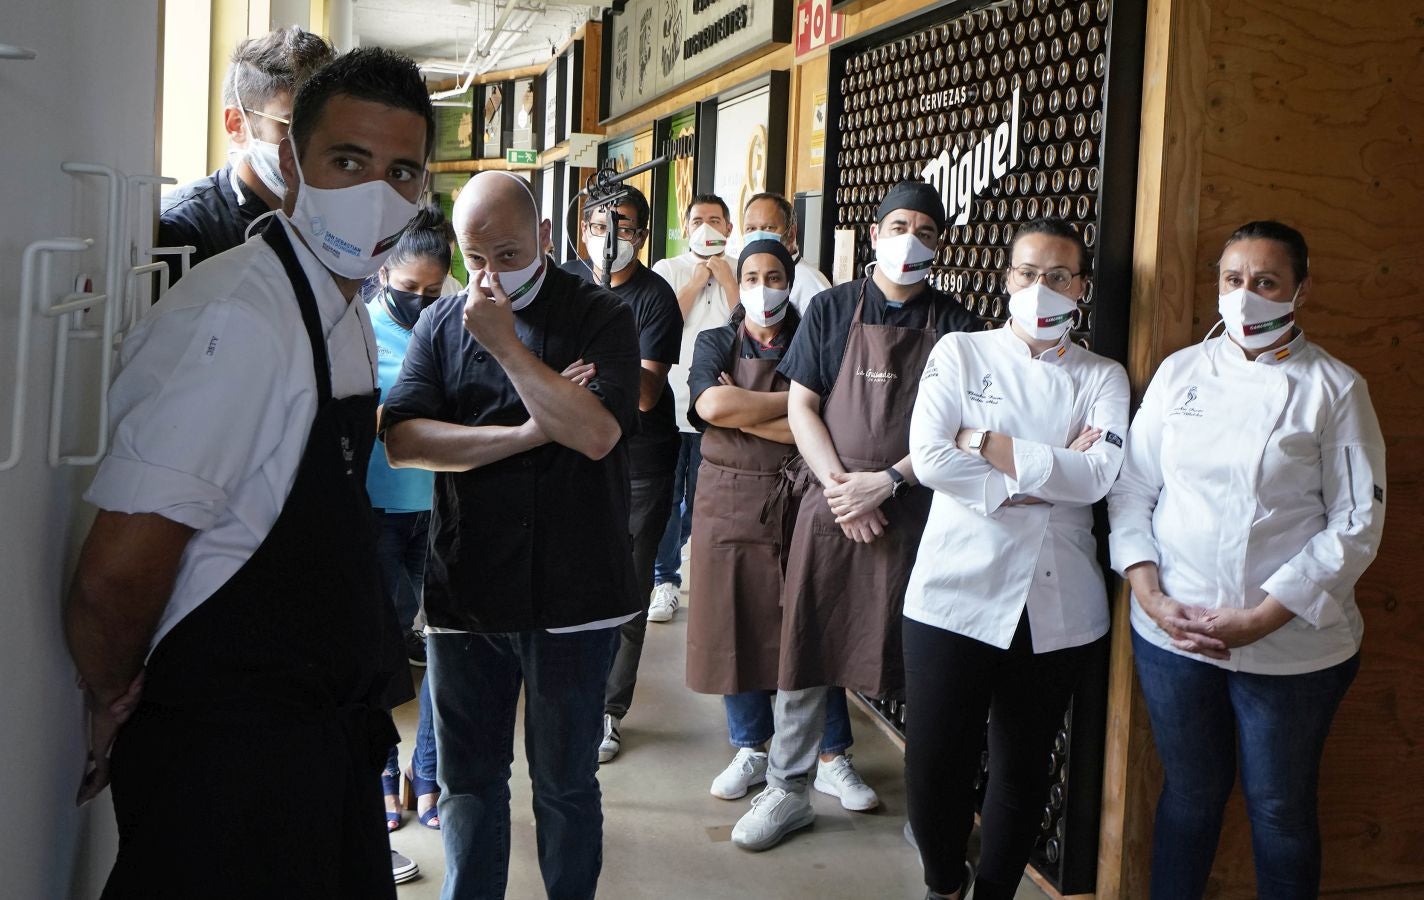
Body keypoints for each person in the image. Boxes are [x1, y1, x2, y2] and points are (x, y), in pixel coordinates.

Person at [63, 48, 435, 898]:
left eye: (400, 171)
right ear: (295, 166)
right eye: (348, 161)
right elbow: (115, 574)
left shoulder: (337, 307)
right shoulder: (238, 322)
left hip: (313, 747)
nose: (374, 191)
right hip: (226, 762)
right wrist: (112, 694)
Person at [381, 171, 642, 900]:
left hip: (575, 591)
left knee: (563, 783)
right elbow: (403, 439)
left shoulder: (601, 316)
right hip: (468, 589)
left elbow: (593, 435)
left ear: (547, 240)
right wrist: (533, 429)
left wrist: (505, 348)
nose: (490, 273)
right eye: (475, 256)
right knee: (468, 784)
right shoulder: (439, 323)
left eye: (508, 251)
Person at [1108, 220, 1386, 900]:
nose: (1246, 296)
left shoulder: (1335, 388)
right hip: (1174, 636)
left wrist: (1264, 616)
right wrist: (1148, 593)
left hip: (1291, 648)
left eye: (1265, 282)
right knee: (1190, 795)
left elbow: (1357, 521)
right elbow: (1133, 488)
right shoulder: (1181, 373)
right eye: (1234, 280)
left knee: (1279, 809)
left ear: (1300, 290)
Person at [730, 181, 979, 851]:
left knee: (927, 664)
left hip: (919, 508)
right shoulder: (834, 308)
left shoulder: (957, 325)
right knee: (807, 648)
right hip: (831, 503)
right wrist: (843, 487)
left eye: (926, 230)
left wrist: (887, 484)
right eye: (898, 226)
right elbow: (801, 406)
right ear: (872, 234)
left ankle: (928, 809)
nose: (910, 241)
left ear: (940, 244)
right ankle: (788, 788)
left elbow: (965, 431)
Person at [902, 219, 1129, 900]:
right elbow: (933, 456)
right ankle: (945, 879)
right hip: (954, 589)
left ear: (1082, 288)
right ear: (1007, 280)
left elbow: (1097, 478)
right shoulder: (961, 351)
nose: (1042, 289)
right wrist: (1037, 477)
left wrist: (986, 443)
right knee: (935, 765)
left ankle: (995, 891)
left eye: (1059, 276)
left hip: (1058, 604)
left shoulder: (1102, 376)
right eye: (1028, 273)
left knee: (1023, 765)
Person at [684, 239, 869, 808]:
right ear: (737, 285)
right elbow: (710, 409)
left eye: (774, 275)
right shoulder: (715, 339)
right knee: (734, 624)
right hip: (728, 499)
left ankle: (833, 755)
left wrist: (748, 411)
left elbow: (823, 427)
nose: (763, 287)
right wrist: (795, 404)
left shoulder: (813, 339)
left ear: (791, 281)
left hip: (799, 497)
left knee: (811, 625)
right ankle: (751, 747)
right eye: (752, 277)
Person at [560, 187, 683, 764]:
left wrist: (590, 364)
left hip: (640, 463)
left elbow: (644, 392)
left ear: (642, 232)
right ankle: (564, 699)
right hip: (567, 451)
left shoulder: (655, 298)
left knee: (628, 587)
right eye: (601, 224)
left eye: (626, 225)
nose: (612, 236)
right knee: (568, 576)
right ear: (582, 228)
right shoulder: (560, 283)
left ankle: (609, 710)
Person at [366, 206, 452, 836]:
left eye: (431, 292)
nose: (418, 303)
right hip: (372, 513)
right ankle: (381, 774)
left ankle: (429, 771)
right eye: (407, 290)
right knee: (376, 648)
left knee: (445, 644)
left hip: (440, 511)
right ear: (382, 276)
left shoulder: (450, 329)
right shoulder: (357, 332)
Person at [158, 26, 335, 284]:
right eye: (294, 125)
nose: (313, 145)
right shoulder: (183, 231)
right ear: (236, 124)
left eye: (325, 128)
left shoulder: (325, 224)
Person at [647, 194, 738, 622]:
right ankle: (663, 579)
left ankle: (689, 568)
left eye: (715, 220)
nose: (707, 228)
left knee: (703, 500)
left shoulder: (740, 268)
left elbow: (750, 327)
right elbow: (663, 323)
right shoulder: (667, 270)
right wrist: (699, 280)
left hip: (714, 409)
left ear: (729, 228)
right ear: (686, 228)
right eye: (698, 220)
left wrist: (727, 279)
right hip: (668, 401)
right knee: (666, 499)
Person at [741, 191, 832, 313]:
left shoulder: (809, 285)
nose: (758, 236)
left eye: (768, 228)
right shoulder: (747, 278)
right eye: (750, 229)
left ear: (791, 234)